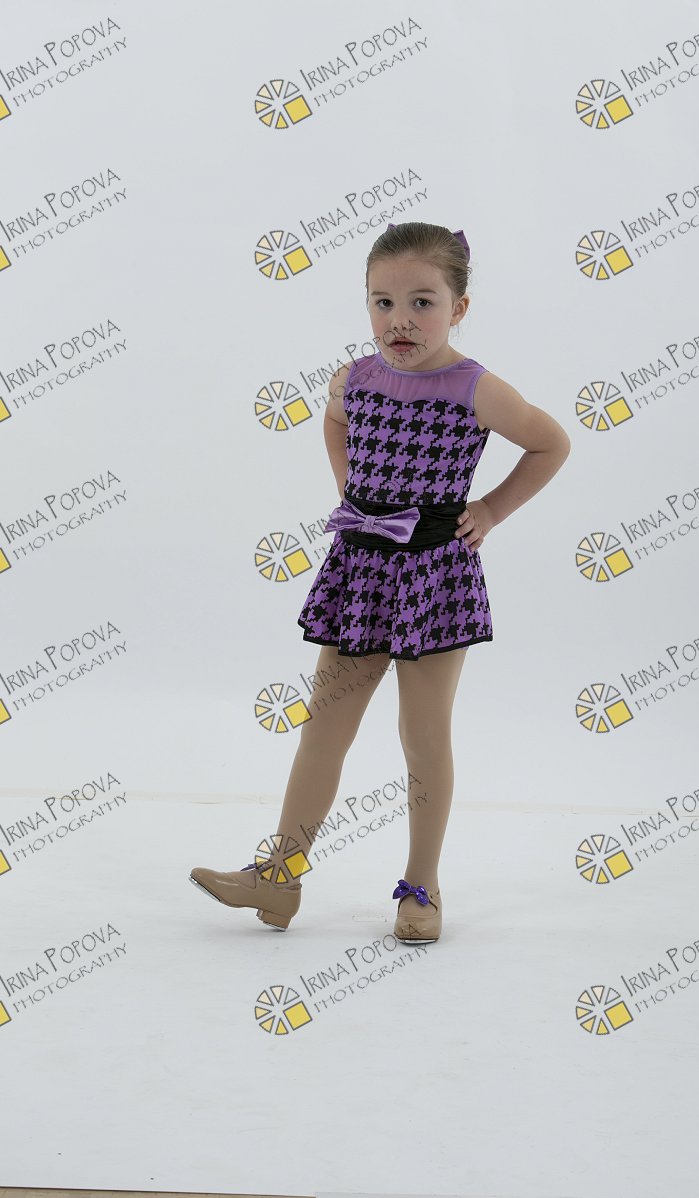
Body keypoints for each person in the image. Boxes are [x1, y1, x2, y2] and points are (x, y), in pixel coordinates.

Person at [190, 220, 571, 944]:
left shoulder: (475, 388)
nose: (401, 320)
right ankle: (279, 876)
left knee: (421, 737)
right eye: (383, 302)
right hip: (361, 570)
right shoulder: (355, 377)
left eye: (423, 302)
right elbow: (334, 423)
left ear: (459, 307)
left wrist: (490, 510)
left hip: (434, 574)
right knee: (324, 727)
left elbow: (551, 442)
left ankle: (421, 886)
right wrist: (350, 488)